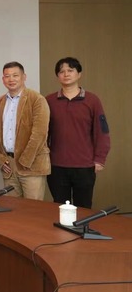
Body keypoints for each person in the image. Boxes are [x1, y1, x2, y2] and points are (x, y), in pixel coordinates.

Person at [46, 57, 110, 208]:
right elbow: (43, 132)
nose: (66, 74)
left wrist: (100, 159)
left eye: (70, 70)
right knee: (60, 207)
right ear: (57, 76)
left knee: (84, 207)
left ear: (79, 74)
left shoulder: (92, 100)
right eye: (62, 71)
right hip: (56, 165)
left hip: (84, 165)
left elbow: (102, 131)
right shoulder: (49, 101)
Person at [0, 62, 50, 200]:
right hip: (9, 166)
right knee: (12, 208)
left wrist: (24, 161)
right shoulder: (0, 101)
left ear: (24, 77)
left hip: (31, 165)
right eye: (7, 76)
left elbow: (39, 134)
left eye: (15, 75)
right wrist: (0, 159)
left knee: (32, 209)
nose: (11, 79)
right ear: (3, 79)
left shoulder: (36, 99)